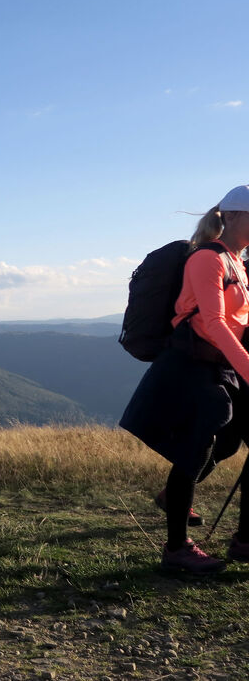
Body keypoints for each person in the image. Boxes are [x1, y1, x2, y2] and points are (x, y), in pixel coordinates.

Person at [121, 185, 249, 574]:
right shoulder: (207, 260)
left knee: (227, 439)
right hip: (192, 363)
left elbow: (239, 322)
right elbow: (213, 324)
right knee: (200, 443)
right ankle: (176, 548)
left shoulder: (238, 263)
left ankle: (244, 540)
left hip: (221, 365)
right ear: (232, 217)